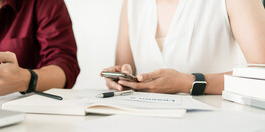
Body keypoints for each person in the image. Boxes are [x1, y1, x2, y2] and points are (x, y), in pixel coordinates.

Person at [102, 0, 265, 95]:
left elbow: (261, 74)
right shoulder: (132, 3)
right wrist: (121, 78)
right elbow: (125, 69)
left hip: (217, 127)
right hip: (146, 129)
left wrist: (190, 82)